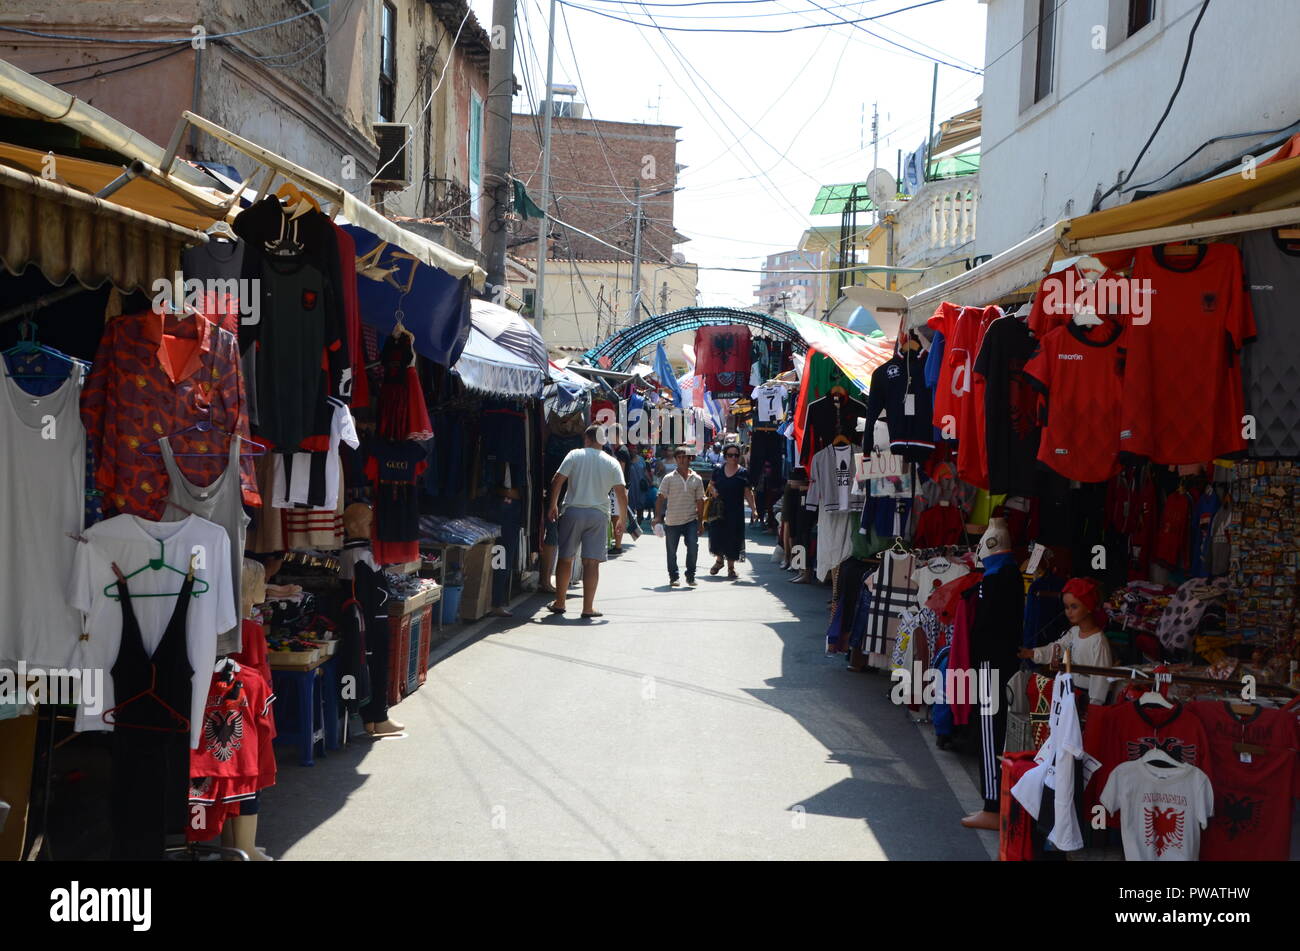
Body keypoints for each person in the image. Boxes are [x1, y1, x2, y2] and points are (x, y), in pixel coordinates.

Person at [547, 426, 627, 618]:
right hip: (598, 515)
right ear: (603, 441)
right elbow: (621, 492)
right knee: (592, 563)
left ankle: (560, 603)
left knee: (566, 558)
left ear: (587, 439)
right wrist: (622, 519)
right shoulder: (612, 462)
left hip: (573, 511)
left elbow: (557, 479)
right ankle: (588, 608)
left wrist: (553, 505)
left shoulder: (575, 455)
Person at [1017, 577, 1115, 705]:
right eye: (1066, 607)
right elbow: (1058, 646)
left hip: (1087, 699)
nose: (1068, 612)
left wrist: (1094, 706)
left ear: (1088, 607)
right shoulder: (1074, 632)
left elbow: (1100, 680)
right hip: (1071, 693)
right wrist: (1033, 653)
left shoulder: (1098, 642)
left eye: (1074, 607)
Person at [654, 446, 706, 587]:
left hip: (690, 520)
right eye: (679, 457)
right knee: (671, 551)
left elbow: (700, 501)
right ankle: (673, 577)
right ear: (676, 459)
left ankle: (690, 576)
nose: (682, 460)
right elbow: (660, 498)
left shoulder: (697, 479)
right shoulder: (668, 478)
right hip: (672, 520)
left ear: (690, 458)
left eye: (685, 457)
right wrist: (657, 517)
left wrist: (701, 522)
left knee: (693, 547)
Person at [707, 444, 758, 580]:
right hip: (719, 509)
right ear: (725, 456)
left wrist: (754, 510)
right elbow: (711, 485)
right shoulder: (718, 470)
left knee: (733, 537)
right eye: (730, 455)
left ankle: (731, 568)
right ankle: (719, 561)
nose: (733, 458)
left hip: (735, 511)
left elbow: (748, 492)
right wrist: (714, 491)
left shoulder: (743, 472)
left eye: (736, 455)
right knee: (717, 535)